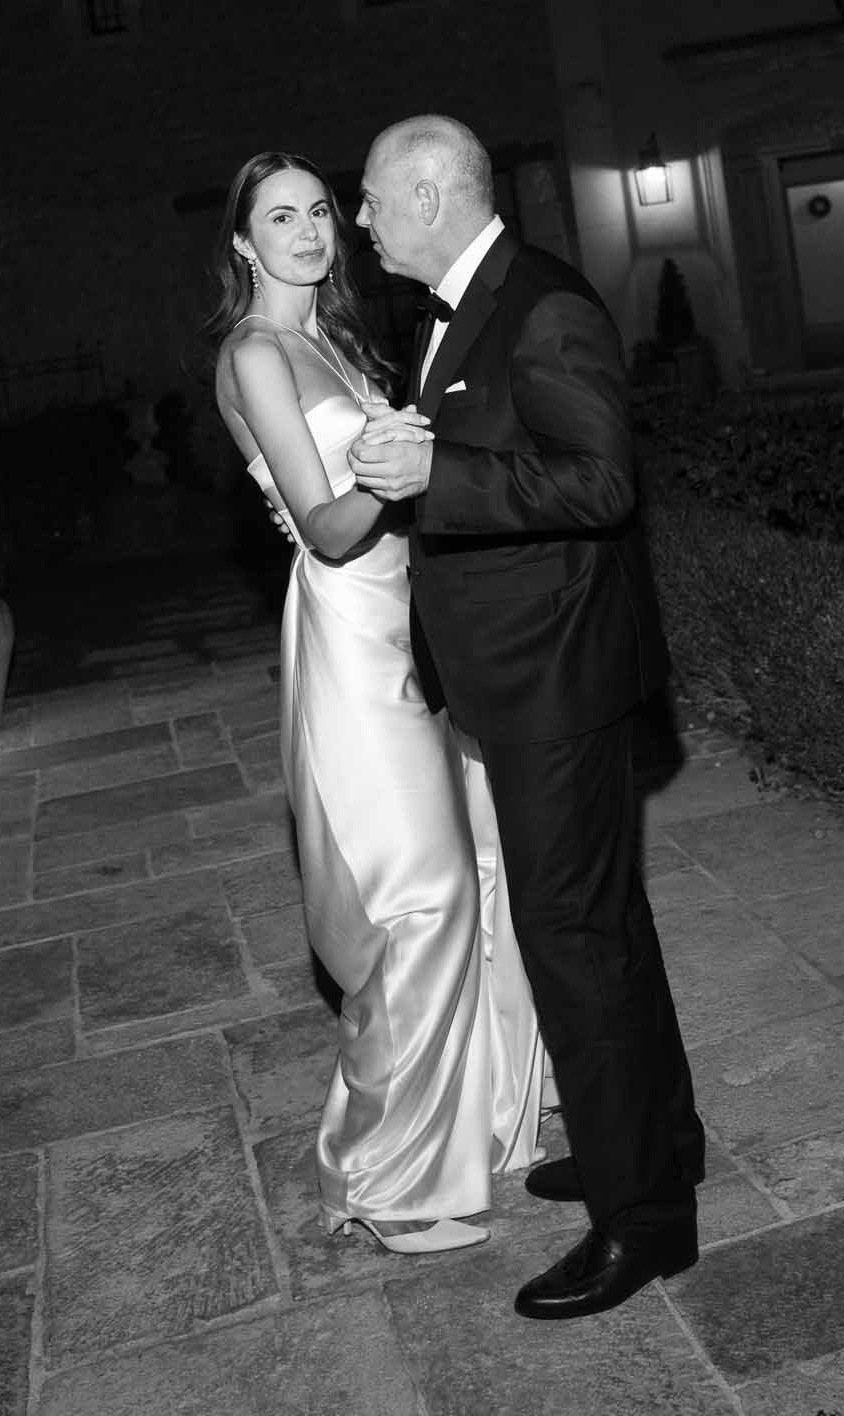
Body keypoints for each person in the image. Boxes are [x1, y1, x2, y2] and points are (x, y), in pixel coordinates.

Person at [349, 114, 705, 1321]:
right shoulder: (461, 303)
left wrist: (432, 477)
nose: (361, 220)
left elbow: (601, 479)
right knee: (602, 921)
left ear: (436, 192)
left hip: (557, 678)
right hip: (528, 672)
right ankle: (659, 1144)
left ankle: (641, 1220)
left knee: (572, 937)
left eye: (375, 199)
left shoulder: (541, 301)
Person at [209, 149, 545, 1255]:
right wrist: (397, 460)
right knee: (423, 895)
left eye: (318, 210)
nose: (308, 231)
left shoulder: (337, 339)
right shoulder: (256, 353)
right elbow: (327, 522)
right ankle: (386, 1175)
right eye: (280, 217)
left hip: (415, 627)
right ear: (243, 242)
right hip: (352, 640)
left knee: (483, 865)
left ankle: (489, 1120)